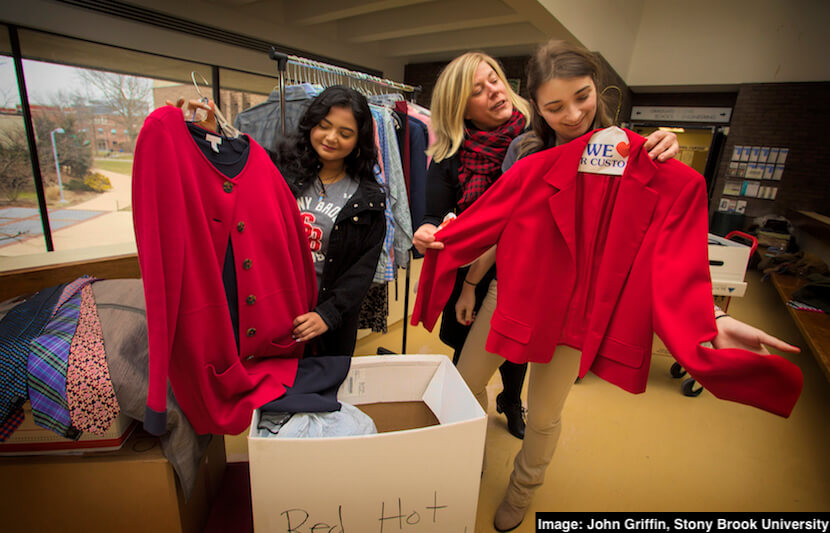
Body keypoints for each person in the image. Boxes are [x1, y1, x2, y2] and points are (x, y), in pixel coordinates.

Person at [413, 40, 801, 532]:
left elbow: (665, 250)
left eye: (582, 97)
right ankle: (466, 461)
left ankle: (522, 488)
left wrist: (710, 317)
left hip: (576, 312)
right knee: (465, 386)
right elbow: (491, 222)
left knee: (545, 413)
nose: (573, 115)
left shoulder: (643, 158)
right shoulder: (526, 154)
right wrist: (444, 241)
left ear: (599, 88)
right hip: (513, 293)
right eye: (555, 106)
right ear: (537, 106)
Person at [412, 52, 679, 441]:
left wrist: (656, 145)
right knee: (470, 371)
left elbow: (650, 227)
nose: (571, 114)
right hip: (495, 275)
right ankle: (470, 449)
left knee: (538, 394)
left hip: (557, 286)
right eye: (477, 90)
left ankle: (511, 409)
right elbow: (476, 220)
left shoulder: (574, 143)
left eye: (495, 80)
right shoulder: (502, 151)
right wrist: (443, 244)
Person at [173, 86, 386, 357]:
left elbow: (361, 271)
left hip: (324, 326)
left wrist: (327, 314)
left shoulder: (368, 200)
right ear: (312, 124)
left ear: (359, 141)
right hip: (273, 311)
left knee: (318, 381)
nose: (331, 138)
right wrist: (210, 134)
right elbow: (233, 168)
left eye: (345, 134)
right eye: (324, 126)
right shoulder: (280, 171)